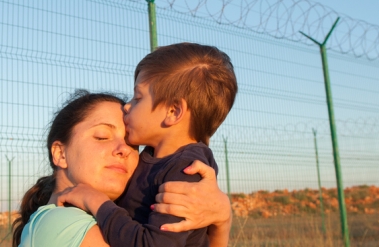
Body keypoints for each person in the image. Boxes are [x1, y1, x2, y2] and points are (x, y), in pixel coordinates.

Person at [58, 43, 238, 247]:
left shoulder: (186, 170)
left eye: (138, 97)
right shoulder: (153, 158)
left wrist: (96, 201)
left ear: (173, 111)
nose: (127, 106)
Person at [13, 90, 230, 247]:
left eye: (131, 143)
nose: (123, 150)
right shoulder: (61, 223)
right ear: (60, 154)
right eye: (102, 136)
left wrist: (220, 220)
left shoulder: (118, 227)